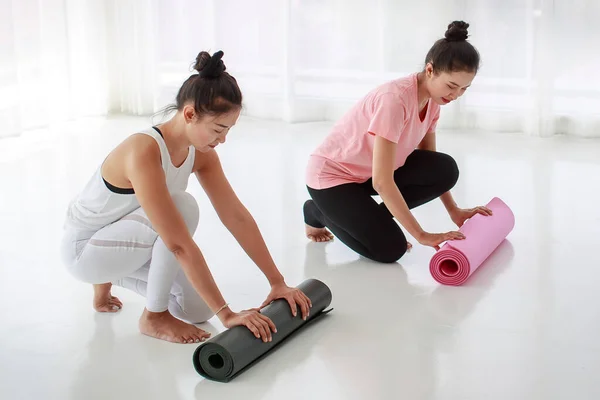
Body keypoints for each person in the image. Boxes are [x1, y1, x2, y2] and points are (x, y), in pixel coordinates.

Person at [60, 50, 312, 344]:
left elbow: (236, 216)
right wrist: (228, 315)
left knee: (196, 309)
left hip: (116, 247)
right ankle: (153, 317)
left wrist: (277, 282)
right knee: (182, 206)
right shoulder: (143, 151)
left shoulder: (202, 155)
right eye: (218, 129)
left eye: (228, 130)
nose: (223, 139)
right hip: (84, 252)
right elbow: (177, 243)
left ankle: (110, 280)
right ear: (190, 114)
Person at [303, 21, 493, 263]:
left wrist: (453, 211)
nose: (455, 95)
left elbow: (429, 160)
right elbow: (383, 181)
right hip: (333, 179)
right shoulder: (394, 101)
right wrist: (421, 234)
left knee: (444, 169)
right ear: (430, 70)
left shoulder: (435, 98)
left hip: (368, 173)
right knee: (390, 250)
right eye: (452, 86)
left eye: (464, 89)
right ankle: (317, 210)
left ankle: (373, 221)